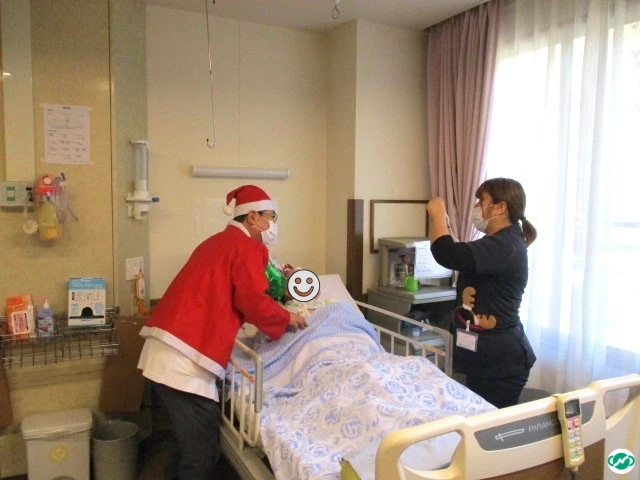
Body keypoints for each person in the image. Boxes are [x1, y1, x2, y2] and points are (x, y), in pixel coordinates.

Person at [137, 184, 307, 479]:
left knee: (182, 446)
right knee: (201, 453)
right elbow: (253, 301)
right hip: (183, 361)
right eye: (271, 217)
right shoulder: (249, 248)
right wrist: (287, 317)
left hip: (166, 350)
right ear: (253, 217)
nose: (273, 224)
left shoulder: (217, 242)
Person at [426, 177, 537, 408]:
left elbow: (447, 254)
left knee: (491, 425)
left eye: (481, 200)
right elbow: (462, 255)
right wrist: (446, 225)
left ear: (500, 207)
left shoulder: (504, 246)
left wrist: (437, 214)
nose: (476, 206)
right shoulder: (497, 242)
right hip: (485, 356)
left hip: (501, 361)